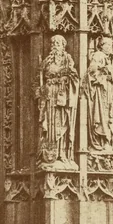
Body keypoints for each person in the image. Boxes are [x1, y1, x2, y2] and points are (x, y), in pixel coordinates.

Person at [38, 35, 79, 168]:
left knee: (61, 124)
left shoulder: (67, 59)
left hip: (61, 98)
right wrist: (40, 90)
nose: (55, 45)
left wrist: (66, 79)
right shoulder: (46, 61)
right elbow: (38, 81)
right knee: (49, 124)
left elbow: (74, 76)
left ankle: (62, 154)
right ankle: (48, 154)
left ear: (64, 46)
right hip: (49, 96)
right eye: (53, 43)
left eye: (58, 43)